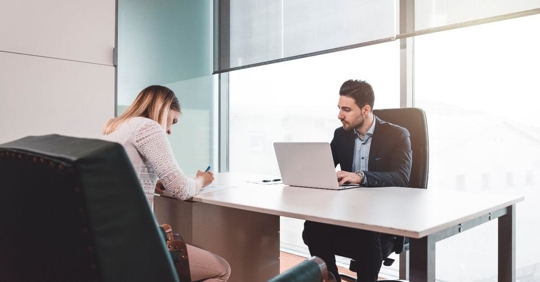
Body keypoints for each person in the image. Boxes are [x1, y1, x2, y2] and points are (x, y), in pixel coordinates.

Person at [102, 85, 231, 282]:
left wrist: (152, 182)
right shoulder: (148, 127)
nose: (169, 130)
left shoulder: (116, 127)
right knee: (221, 269)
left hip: (110, 237)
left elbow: (118, 178)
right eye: (173, 121)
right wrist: (201, 180)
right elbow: (182, 189)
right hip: (136, 241)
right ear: (163, 108)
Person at [302, 79, 412, 282]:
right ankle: (331, 278)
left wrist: (360, 176)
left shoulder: (397, 135)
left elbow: (401, 176)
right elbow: (324, 168)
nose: (339, 115)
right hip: (347, 211)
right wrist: (308, 173)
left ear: (365, 109)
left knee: (366, 231)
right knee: (313, 226)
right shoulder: (341, 135)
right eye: (339, 108)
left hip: (381, 214)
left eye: (346, 109)